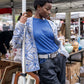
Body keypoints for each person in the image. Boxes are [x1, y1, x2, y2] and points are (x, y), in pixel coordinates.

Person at [12, 0, 69, 84]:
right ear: (38, 7)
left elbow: (56, 41)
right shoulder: (27, 23)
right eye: (47, 9)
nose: (49, 12)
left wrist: (62, 53)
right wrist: (20, 24)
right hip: (45, 63)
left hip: (59, 58)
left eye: (50, 9)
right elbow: (16, 43)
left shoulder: (51, 24)